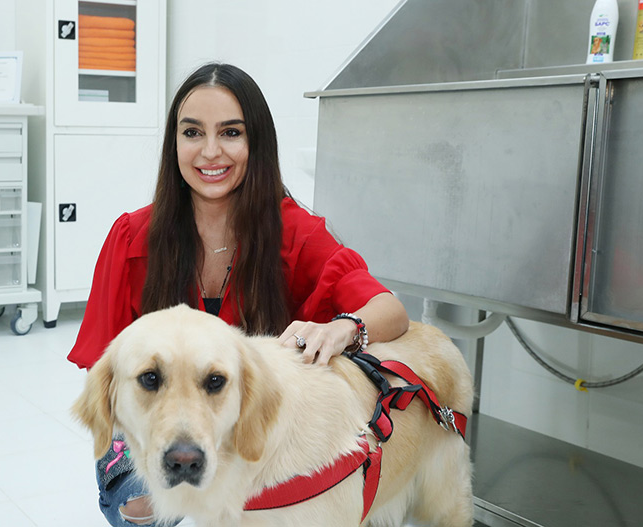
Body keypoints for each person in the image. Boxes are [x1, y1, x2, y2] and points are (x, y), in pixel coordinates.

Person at [67, 62, 409, 527]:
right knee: (136, 507)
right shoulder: (132, 236)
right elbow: (104, 371)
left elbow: (390, 309)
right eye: (193, 132)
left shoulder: (297, 235)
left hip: (251, 430)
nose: (210, 151)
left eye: (230, 132)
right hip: (159, 427)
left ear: (256, 143)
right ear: (174, 143)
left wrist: (344, 328)